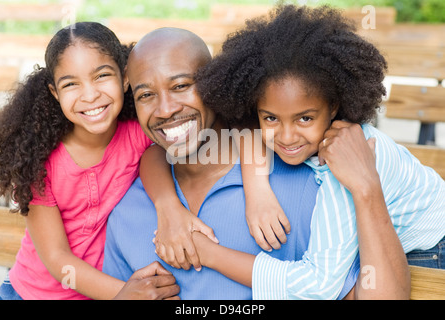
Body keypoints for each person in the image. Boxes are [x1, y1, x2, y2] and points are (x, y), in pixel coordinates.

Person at [102, 26, 413, 300]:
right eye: (146, 95)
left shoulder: (308, 187)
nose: (166, 109)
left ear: (216, 84)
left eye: (181, 85)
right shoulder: (127, 212)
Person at [189, 4, 444, 299]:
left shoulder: (344, 159)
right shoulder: (283, 129)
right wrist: (257, 190)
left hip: (431, 250)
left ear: (334, 107)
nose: (286, 136)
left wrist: (209, 254)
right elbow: (246, 129)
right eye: (271, 117)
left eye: (304, 118)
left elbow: (318, 286)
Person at [0, 22, 182, 300]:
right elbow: (57, 259)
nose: (90, 95)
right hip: (29, 294)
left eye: (101, 76)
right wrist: (127, 294)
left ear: (125, 78)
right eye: (71, 84)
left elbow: (213, 136)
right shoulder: (39, 161)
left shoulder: (137, 134)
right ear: (55, 93)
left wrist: (169, 205)